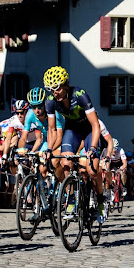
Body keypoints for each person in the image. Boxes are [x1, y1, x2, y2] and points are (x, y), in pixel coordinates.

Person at [44, 66, 105, 223]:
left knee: (92, 171)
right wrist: (49, 149)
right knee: (65, 162)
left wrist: (92, 148)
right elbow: (51, 129)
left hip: (90, 130)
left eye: (57, 88)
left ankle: (100, 201)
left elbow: (95, 125)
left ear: (65, 85)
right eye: (51, 89)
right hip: (72, 131)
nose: (54, 93)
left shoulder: (80, 95)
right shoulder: (50, 101)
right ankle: (71, 199)